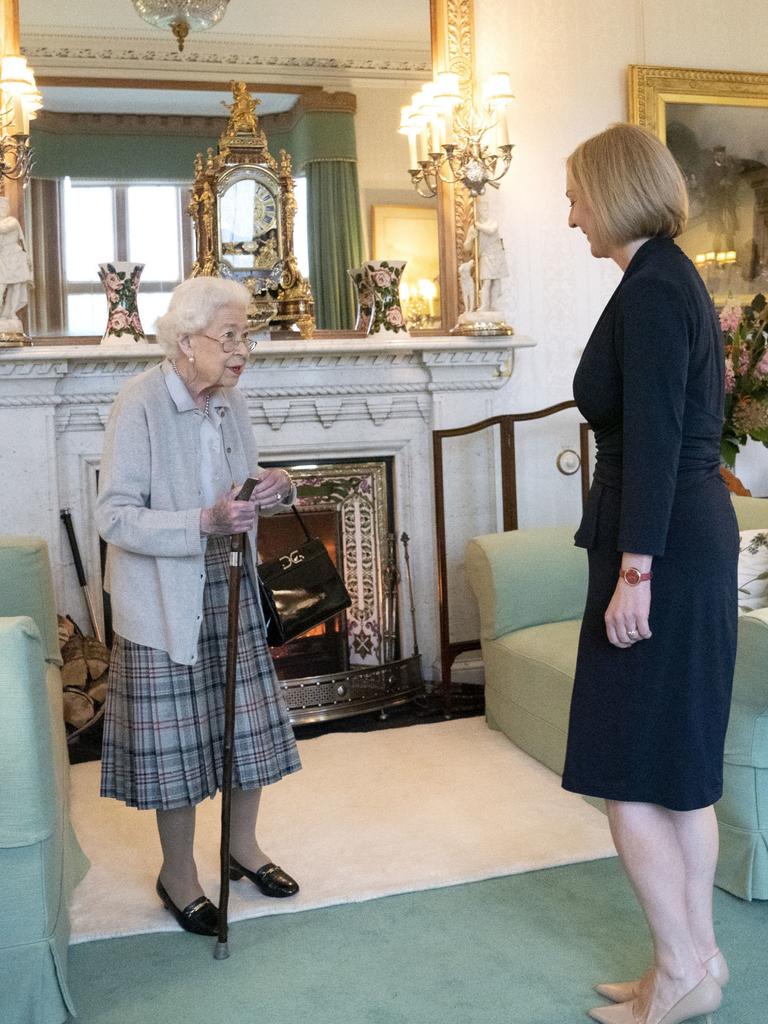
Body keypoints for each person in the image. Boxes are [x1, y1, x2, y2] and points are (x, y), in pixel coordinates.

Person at [563, 124, 738, 1024]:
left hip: (659, 546)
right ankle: (694, 961)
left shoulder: (653, 287)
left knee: (629, 771)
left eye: (577, 195)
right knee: (671, 767)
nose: (570, 216)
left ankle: (680, 969)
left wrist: (637, 571)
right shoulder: (665, 277)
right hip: (674, 536)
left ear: (614, 190)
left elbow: (660, 437)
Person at [95, 277, 301, 936]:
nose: (244, 351)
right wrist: (202, 523)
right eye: (231, 336)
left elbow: (239, 482)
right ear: (188, 343)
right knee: (178, 751)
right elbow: (114, 516)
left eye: (248, 336)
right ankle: (178, 873)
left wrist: (274, 486)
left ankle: (241, 849)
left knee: (247, 730)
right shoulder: (141, 404)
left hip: (232, 582)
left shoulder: (229, 404)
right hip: (163, 599)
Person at [0, 195, 33, 332]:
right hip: (3, 258)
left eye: (3, 207)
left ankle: (11, 313)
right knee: (1, 286)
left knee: (16, 288)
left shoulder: (11, 221)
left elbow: (2, 229)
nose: (1, 209)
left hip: (16, 258)